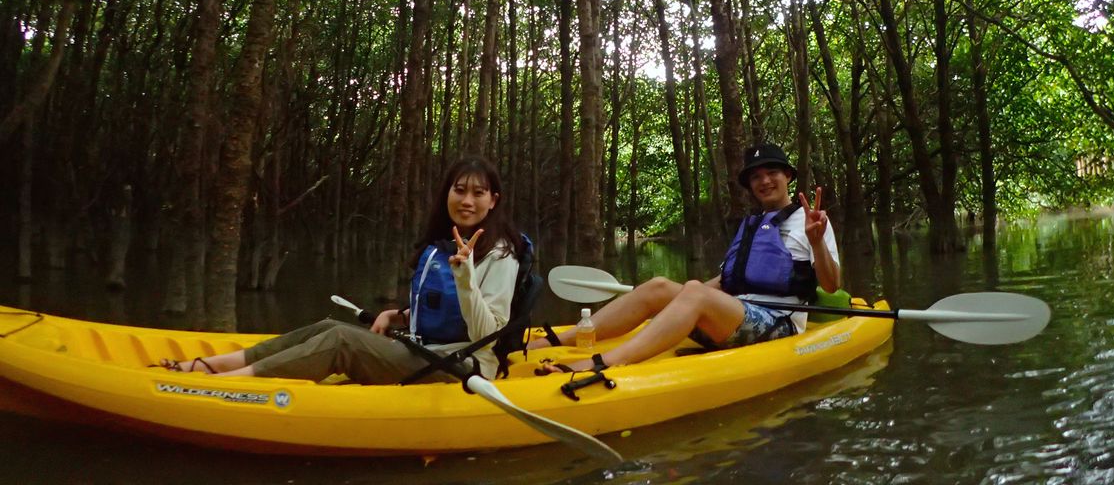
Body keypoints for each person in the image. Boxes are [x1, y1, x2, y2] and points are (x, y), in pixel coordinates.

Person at [159, 155, 524, 384]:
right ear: (447, 194)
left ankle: (228, 385)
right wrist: (397, 314)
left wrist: (466, 278)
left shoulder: (501, 254)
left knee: (341, 341)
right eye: (460, 190)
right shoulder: (446, 241)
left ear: (493, 201)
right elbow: (445, 309)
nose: (467, 200)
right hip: (430, 350)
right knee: (328, 326)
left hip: (464, 366)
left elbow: (487, 333)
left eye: (478, 193)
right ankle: (213, 364)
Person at [534, 142, 839, 374]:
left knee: (692, 291)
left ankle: (604, 363)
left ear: (787, 175)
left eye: (772, 172)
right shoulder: (753, 226)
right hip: (734, 313)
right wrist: (672, 303)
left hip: (778, 322)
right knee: (658, 285)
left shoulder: (811, 221)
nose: (765, 181)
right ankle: (558, 340)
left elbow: (831, 283)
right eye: (756, 176)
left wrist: (817, 242)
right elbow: (722, 282)